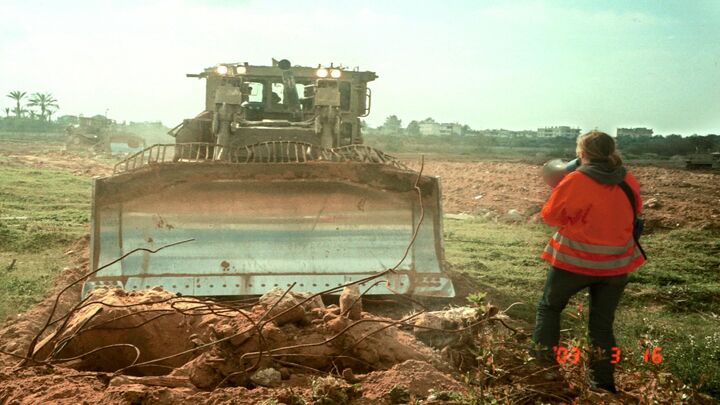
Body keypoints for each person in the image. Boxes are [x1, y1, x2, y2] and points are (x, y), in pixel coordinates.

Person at [531, 130, 645, 393]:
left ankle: (542, 370)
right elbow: (635, 209)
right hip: (616, 266)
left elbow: (550, 216)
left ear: (581, 152)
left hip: (576, 262)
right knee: (601, 325)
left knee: (549, 308)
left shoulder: (576, 180)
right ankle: (603, 384)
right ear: (611, 151)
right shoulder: (627, 178)